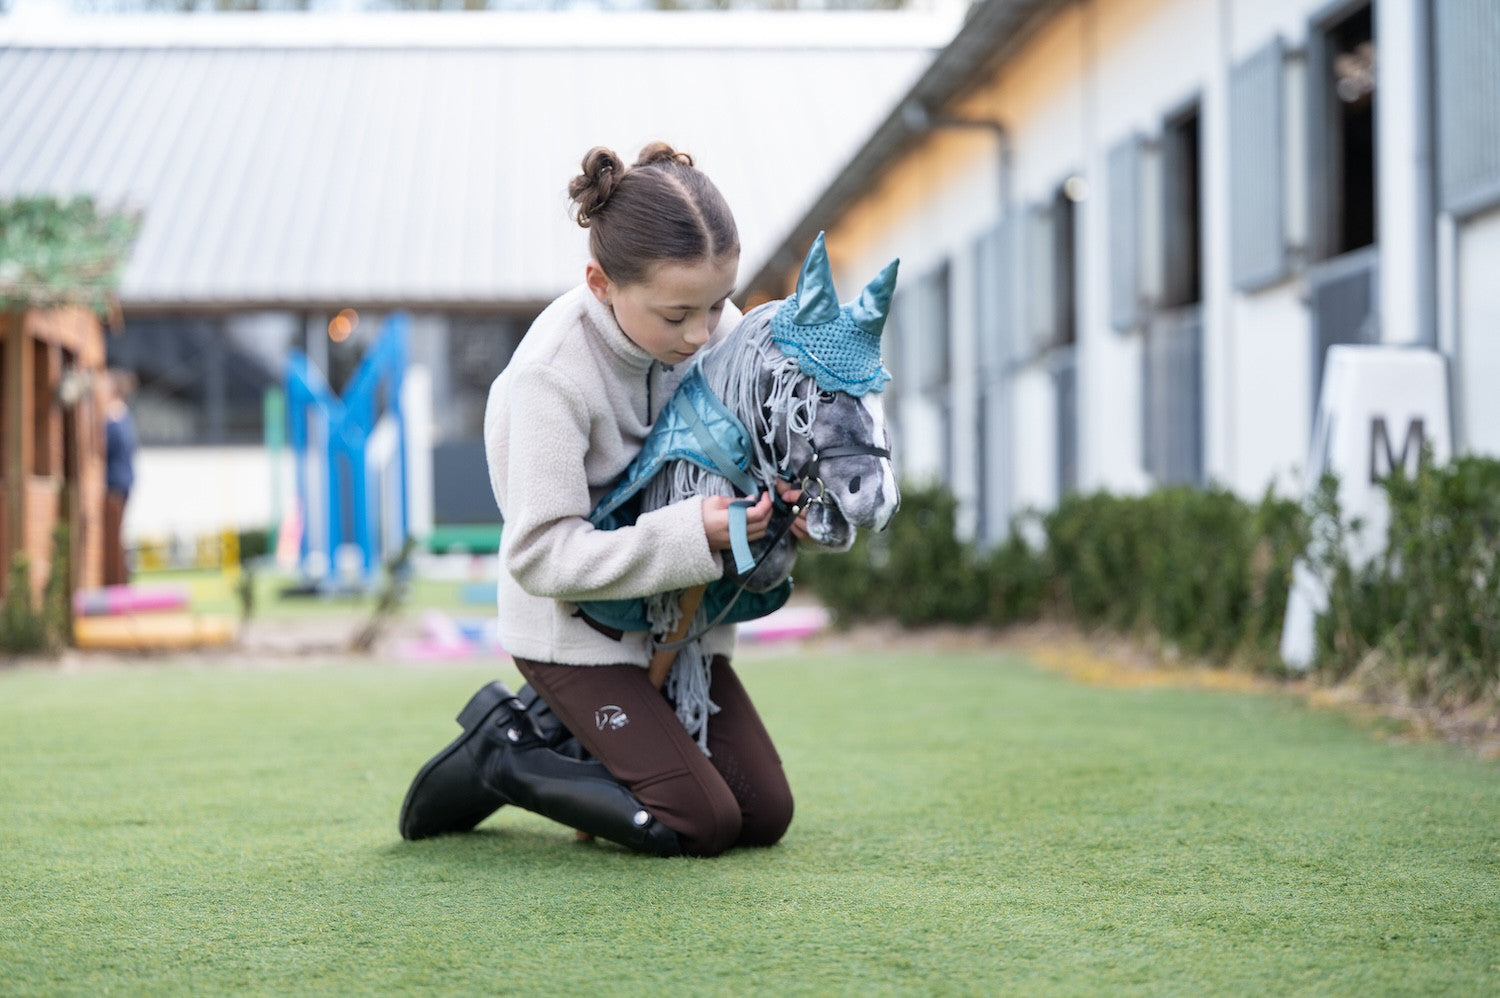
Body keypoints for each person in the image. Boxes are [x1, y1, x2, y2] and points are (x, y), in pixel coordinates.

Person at [399, 143, 808, 858]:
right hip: (573, 633)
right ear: (600, 282)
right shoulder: (549, 379)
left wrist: (783, 509)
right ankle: (509, 753)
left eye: (717, 303)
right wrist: (692, 536)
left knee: (763, 814)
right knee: (698, 822)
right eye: (676, 313)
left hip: (676, 632)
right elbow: (540, 556)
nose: (702, 334)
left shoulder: (719, 332)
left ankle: (581, 736)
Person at [102, 368, 138, 587]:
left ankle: (119, 582)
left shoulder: (113, 416)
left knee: (114, 535)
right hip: (122, 480)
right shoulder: (123, 416)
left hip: (116, 482)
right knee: (118, 533)